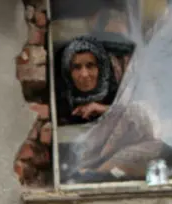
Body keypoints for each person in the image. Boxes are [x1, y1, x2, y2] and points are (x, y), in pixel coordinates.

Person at [58, 35, 162, 180]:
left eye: (90, 66)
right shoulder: (61, 107)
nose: (84, 74)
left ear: (101, 68)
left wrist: (106, 109)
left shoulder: (118, 97)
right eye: (76, 67)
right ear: (68, 72)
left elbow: (147, 122)